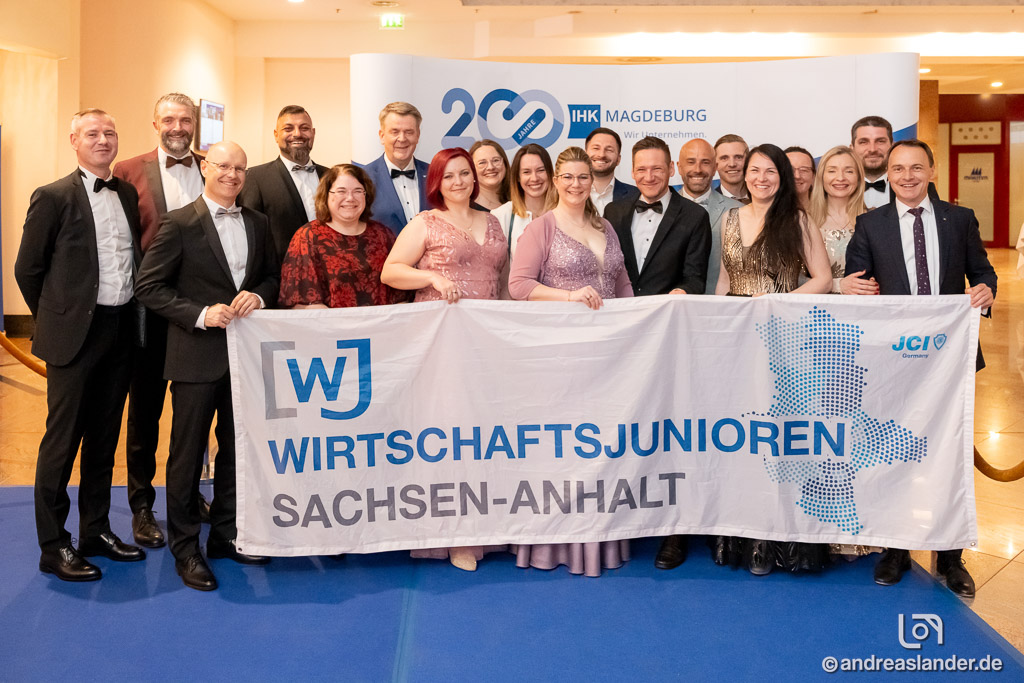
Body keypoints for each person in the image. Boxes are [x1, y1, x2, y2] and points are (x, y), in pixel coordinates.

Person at [844, 139, 997, 598]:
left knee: (949, 456)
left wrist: (986, 291)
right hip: (893, 363)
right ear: (888, 175)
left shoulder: (959, 219)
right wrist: (850, 288)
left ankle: (950, 556)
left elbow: (983, 272)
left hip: (949, 361)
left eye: (916, 168)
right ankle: (896, 549)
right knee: (893, 454)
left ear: (932, 171)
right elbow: (858, 281)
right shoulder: (870, 224)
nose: (907, 176)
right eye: (898, 169)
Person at [136, 141, 280, 591]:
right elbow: (149, 287)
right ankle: (185, 548)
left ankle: (226, 535)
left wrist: (259, 296)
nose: (232, 175)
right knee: (186, 457)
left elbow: (272, 277)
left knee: (237, 451)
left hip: (245, 359)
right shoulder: (178, 223)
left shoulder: (258, 222)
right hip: (195, 357)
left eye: (240, 168)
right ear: (205, 168)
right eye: (223, 166)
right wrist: (200, 314)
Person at [15, 108, 146, 581]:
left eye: (110, 132)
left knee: (104, 438)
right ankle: (54, 546)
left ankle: (95, 530)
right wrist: (59, 318)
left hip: (120, 329)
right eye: (92, 133)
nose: (103, 140)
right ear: (74, 141)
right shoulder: (52, 196)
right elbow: (28, 269)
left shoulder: (126, 192)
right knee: (62, 440)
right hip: (73, 336)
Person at [506, 147, 632, 576]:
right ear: (556, 181)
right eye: (569, 177)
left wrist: (635, 324)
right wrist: (569, 296)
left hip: (608, 354)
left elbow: (621, 283)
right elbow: (519, 285)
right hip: (559, 352)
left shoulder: (605, 226)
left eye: (583, 177)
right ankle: (554, 545)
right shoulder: (541, 228)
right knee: (564, 449)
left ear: (592, 181)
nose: (576, 185)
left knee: (602, 447)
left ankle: (600, 542)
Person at [380, 148, 507, 570]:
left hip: (485, 342)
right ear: (436, 181)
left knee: (482, 434)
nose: (458, 182)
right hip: (440, 341)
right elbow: (391, 271)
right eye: (449, 175)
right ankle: (452, 536)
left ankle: (484, 526)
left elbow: (501, 281)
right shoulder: (425, 222)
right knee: (448, 435)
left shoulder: (493, 221)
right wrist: (432, 276)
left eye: (464, 173)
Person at [715, 143, 832, 575]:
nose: (760, 178)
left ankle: (782, 542)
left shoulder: (797, 220)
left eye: (770, 171)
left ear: (782, 177)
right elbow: (725, 280)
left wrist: (776, 303)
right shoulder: (728, 218)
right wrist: (719, 328)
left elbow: (823, 279)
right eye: (754, 170)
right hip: (737, 340)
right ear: (744, 175)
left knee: (778, 438)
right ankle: (746, 538)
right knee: (742, 438)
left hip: (783, 338)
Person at [112, 92, 205, 548]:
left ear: (194, 124)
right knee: (145, 414)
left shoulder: (212, 167)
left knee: (195, 415)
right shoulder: (127, 171)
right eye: (169, 120)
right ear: (155, 124)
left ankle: (187, 496)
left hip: (201, 313)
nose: (177, 128)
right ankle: (142, 506)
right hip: (149, 310)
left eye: (185, 120)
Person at [279, 164, 404, 308]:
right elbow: (301, 302)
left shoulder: (383, 235)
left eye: (358, 191)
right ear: (326, 195)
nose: (350, 198)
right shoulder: (308, 237)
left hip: (383, 322)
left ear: (366, 195)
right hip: (328, 322)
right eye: (341, 191)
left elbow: (402, 296)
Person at [604, 136, 711, 298]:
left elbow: (695, 278)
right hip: (621, 310)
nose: (649, 177)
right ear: (632, 172)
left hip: (667, 310)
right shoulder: (613, 212)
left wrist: (682, 291)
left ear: (671, 169)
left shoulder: (695, 216)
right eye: (641, 169)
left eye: (657, 169)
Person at [238, 105, 328, 261]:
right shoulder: (255, 178)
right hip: (282, 272)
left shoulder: (331, 176)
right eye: (288, 129)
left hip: (331, 270)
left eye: (304, 128)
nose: (297, 134)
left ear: (313, 133)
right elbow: (250, 236)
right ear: (276, 135)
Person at [677, 138, 743, 294]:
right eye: (691, 162)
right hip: (672, 303)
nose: (698, 169)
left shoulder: (738, 211)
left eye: (705, 162)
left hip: (721, 303)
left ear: (715, 168)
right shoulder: (663, 209)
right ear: (679, 167)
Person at [807, 145, 873, 295]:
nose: (841, 178)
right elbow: (793, 278)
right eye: (832, 171)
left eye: (849, 171)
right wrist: (838, 285)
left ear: (859, 177)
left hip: (864, 307)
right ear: (821, 177)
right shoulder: (804, 221)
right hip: (817, 307)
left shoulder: (874, 220)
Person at [362, 102, 430, 235]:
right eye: (395, 132)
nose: (402, 138)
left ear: (418, 135)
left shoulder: (435, 174)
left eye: (409, 132)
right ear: (382, 136)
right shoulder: (362, 178)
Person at [491, 144, 558, 260]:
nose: (534, 178)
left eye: (540, 170)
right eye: (526, 172)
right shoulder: (501, 216)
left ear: (550, 173)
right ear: (518, 177)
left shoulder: (564, 211)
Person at [584, 127, 639, 215]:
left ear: (618, 159)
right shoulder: (570, 192)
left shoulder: (636, 195)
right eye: (596, 148)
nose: (601, 154)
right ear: (585, 154)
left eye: (609, 150)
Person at [850, 116, 894, 210]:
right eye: (863, 142)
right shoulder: (837, 189)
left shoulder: (909, 187)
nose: (872, 149)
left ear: (893, 147)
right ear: (852, 149)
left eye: (880, 141)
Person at [469, 139, 510, 211]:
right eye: (482, 163)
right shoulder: (467, 208)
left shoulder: (520, 201)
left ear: (505, 164)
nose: (490, 167)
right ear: (472, 169)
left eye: (496, 160)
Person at [714, 134, 750, 204]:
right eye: (724, 158)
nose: (732, 164)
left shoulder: (767, 199)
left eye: (738, 157)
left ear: (749, 161)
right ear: (715, 164)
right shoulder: (707, 205)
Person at [785, 146, 816, 210]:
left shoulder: (826, 213)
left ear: (813, 176)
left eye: (804, 170)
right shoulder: (767, 212)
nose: (797, 176)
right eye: (790, 170)